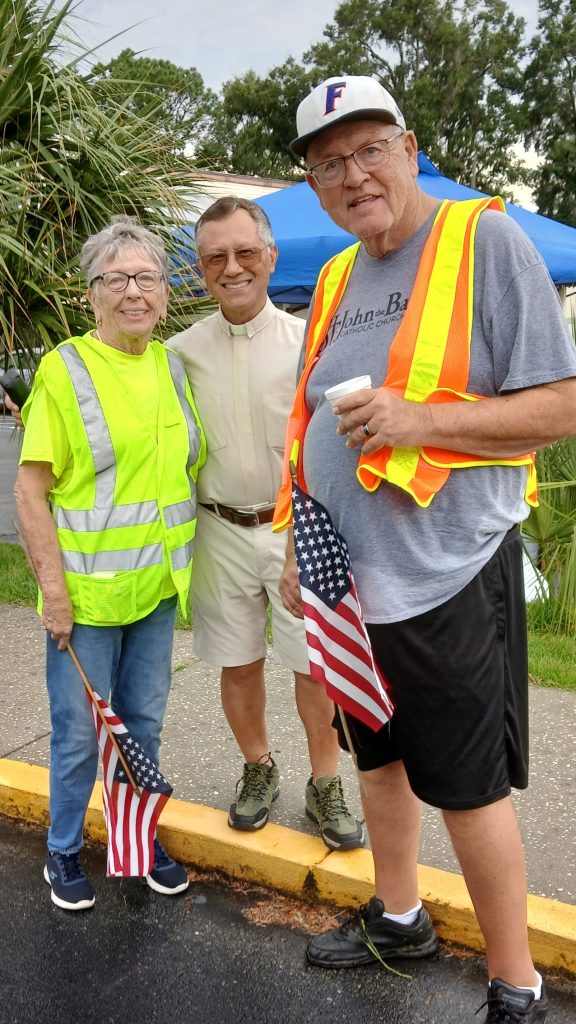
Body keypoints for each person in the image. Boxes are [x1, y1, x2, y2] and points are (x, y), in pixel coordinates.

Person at [274, 75, 576, 1022]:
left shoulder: (485, 240)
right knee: (379, 761)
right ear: (316, 186)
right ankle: (400, 916)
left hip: (447, 576)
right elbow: (306, 425)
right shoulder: (335, 277)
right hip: (349, 584)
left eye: (371, 150)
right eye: (331, 163)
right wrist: (297, 543)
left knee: (468, 789)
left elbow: (562, 404)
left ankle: (516, 983)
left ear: (409, 152)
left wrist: (420, 420)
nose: (355, 175)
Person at [14, 216, 206, 911]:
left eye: (147, 278)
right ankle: (63, 848)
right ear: (92, 293)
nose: (133, 292)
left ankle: (135, 839)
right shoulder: (64, 369)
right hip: (87, 600)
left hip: (155, 593)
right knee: (76, 736)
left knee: (141, 728)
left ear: (164, 292)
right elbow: (30, 489)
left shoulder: (170, 367)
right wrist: (53, 594)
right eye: (116, 279)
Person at [168, 196, 362, 849]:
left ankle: (325, 781)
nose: (232, 267)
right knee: (237, 660)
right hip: (217, 527)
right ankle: (258, 766)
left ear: (270, 257)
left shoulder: (310, 343)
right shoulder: (178, 355)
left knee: (314, 666)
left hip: (295, 533)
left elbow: (332, 448)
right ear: (200, 269)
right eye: (215, 257)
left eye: (245, 252)